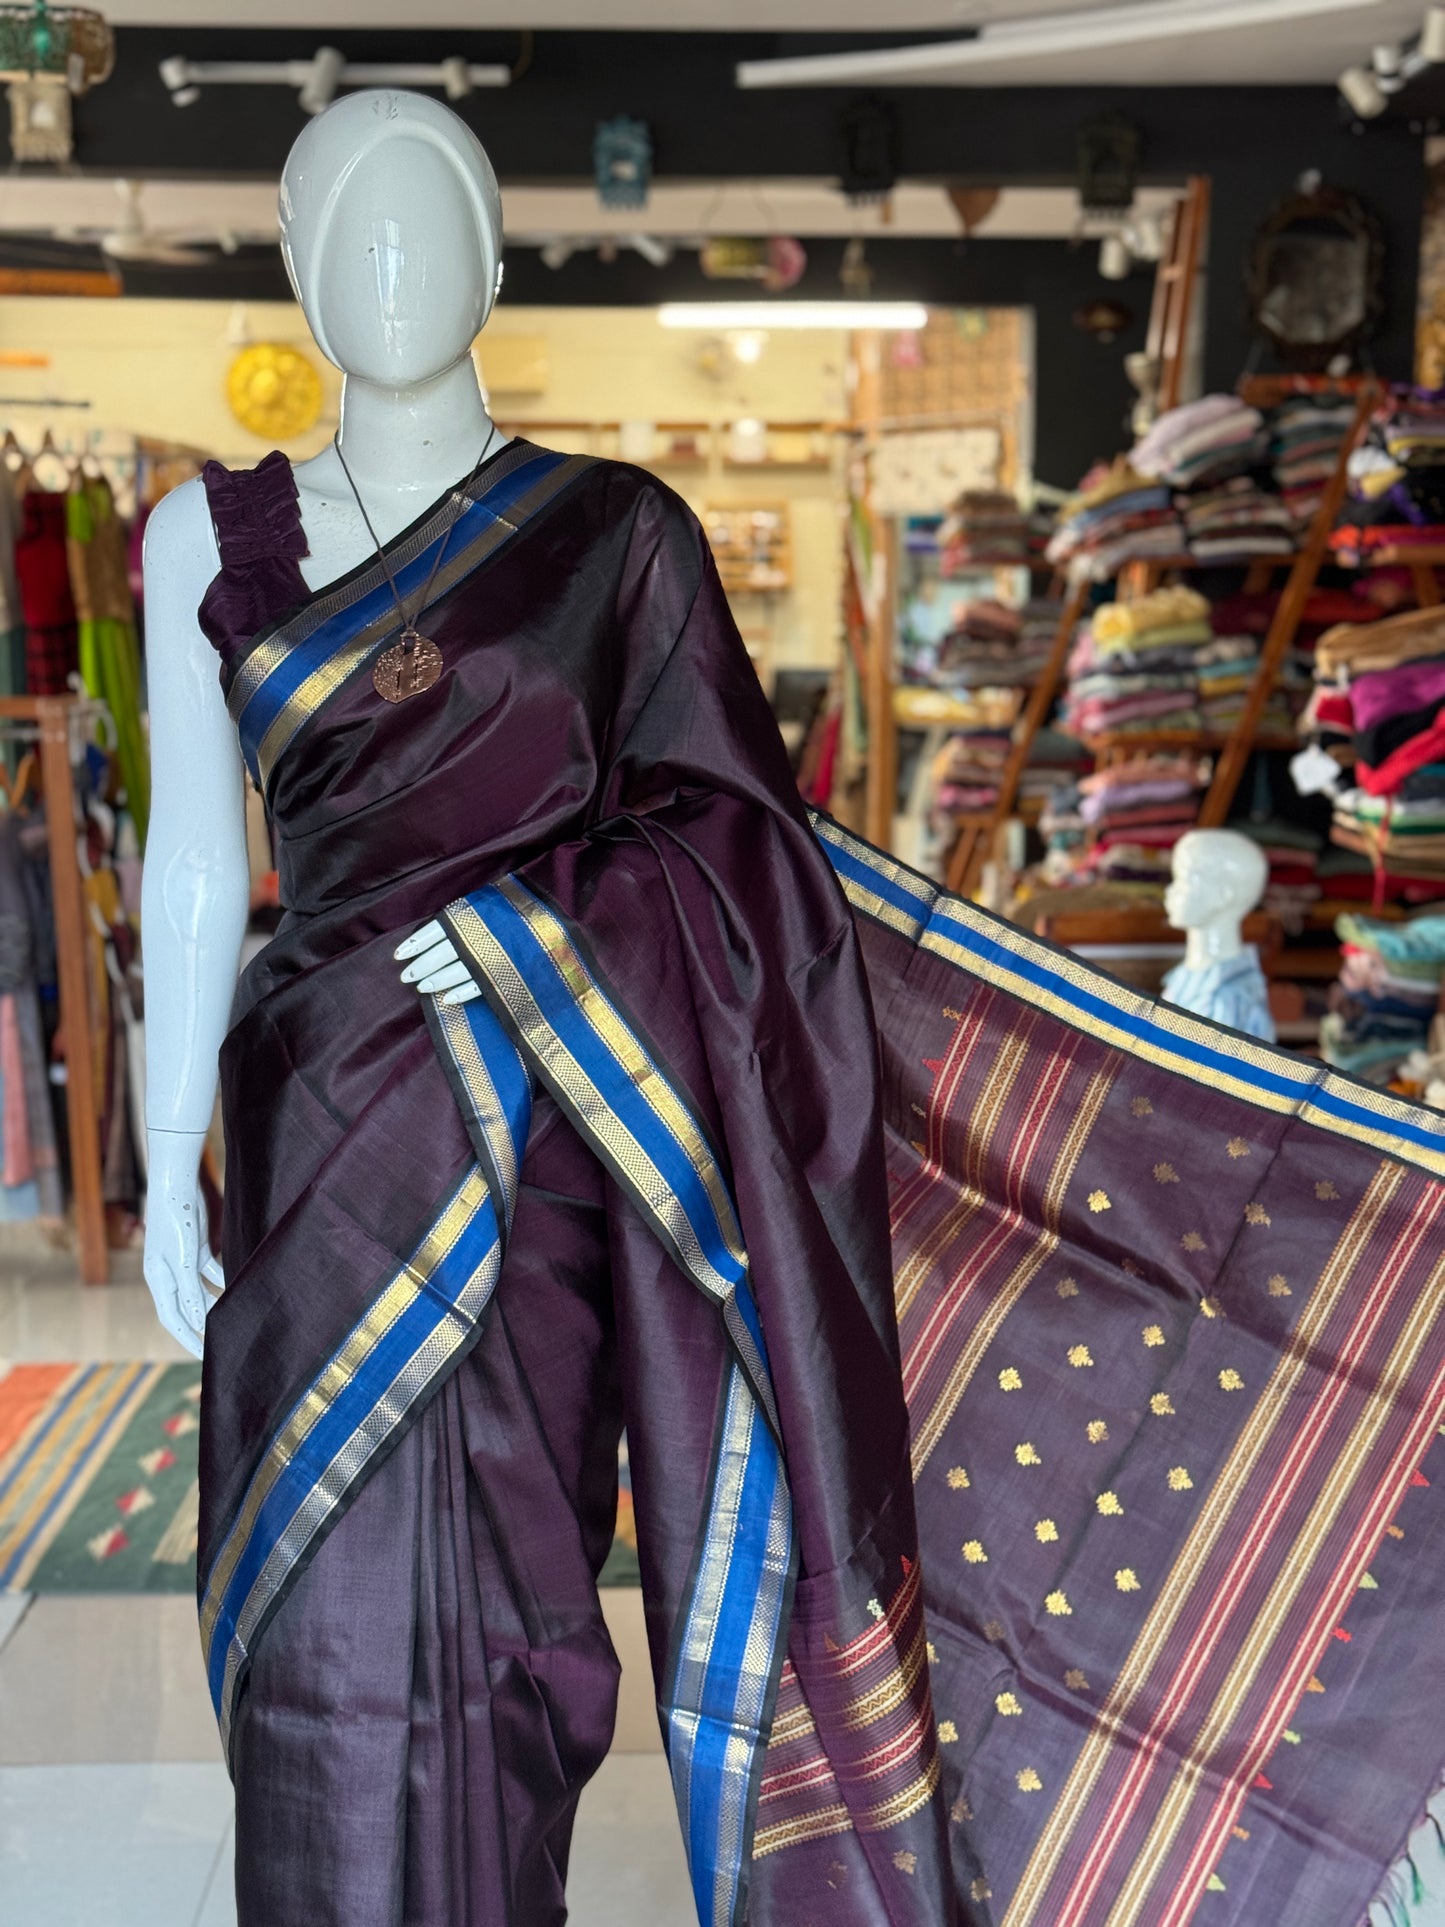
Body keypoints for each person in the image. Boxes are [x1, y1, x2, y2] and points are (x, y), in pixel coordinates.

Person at [144, 92, 1445, 1927]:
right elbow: (188, 873)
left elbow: (735, 848)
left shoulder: (616, 537)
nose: (384, 259)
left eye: (424, 220)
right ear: (285, 268)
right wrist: (152, 1149)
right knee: (311, 1647)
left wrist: (540, 927)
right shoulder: (199, 544)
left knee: (511, 1629)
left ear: (501, 268)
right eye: (345, 225)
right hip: (312, 1144)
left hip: (541, 1156)